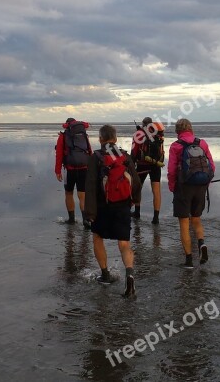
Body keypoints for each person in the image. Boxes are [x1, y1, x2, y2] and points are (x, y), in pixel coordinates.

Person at [84, 125, 142, 297]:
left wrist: (90, 213)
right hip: (123, 206)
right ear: (115, 139)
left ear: (101, 139)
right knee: (124, 244)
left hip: (102, 207)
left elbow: (91, 186)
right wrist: (133, 201)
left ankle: (105, 275)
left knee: (97, 237)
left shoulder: (96, 157)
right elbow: (136, 182)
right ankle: (130, 274)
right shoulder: (124, 155)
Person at [167, 119, 215, 268]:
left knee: (184, 223)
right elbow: (211, 165)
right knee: (196, 219)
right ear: (191, 129)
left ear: (177, 132)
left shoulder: (176, 146)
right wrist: (206, 182)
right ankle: (201, 243)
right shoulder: (202, 143)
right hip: (201, 186)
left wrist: (172, 186)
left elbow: (172, 170)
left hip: (184, 187)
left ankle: (188, 260)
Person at [55, 118, 93, 228]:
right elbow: (89, 150)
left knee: (69, 193)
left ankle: (71, 219)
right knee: (82, 195)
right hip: (84, 168)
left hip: (70, 169)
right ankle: (86, 221)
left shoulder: (63, 136)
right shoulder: (84, 134)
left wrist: (58, 171)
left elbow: (59, 155)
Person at [131, 117, 165, 224]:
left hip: (142, 165)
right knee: (156, 190)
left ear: (143, 124)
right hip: (156, 164)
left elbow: (134, 151)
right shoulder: (158, 133)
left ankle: (137, 212)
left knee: (138, 188)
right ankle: (156, 217)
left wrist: (132, 164)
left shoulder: (139, 134)